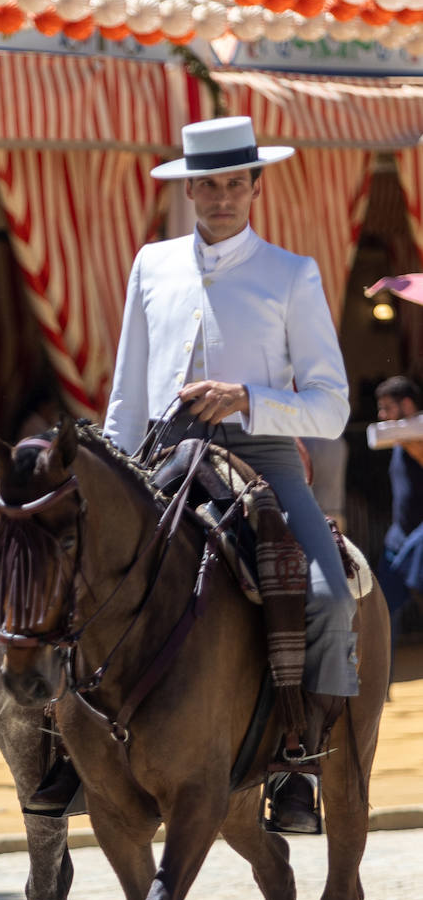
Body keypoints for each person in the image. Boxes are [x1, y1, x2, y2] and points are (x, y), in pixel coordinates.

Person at [95, 115, 356, 834]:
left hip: (261, 453)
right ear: (188, 190)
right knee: (79, 574)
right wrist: (118, 468)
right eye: (205, 184)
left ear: (255, 186)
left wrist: (248, 398)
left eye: (233, 183)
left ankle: (302, 759)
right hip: (161, 456)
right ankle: (71, 750)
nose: (219, 197)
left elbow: (331, 408)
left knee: (331, 595)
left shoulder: (291, 274)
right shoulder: (151, 264)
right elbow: (126, 392)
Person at [372, 376, 423, 647]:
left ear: (406, 404)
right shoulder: (400, 438)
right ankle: (381, 689)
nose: (382, 416)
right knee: (383, 616)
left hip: (420, 543)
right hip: (398, 541)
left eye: (387, 408)